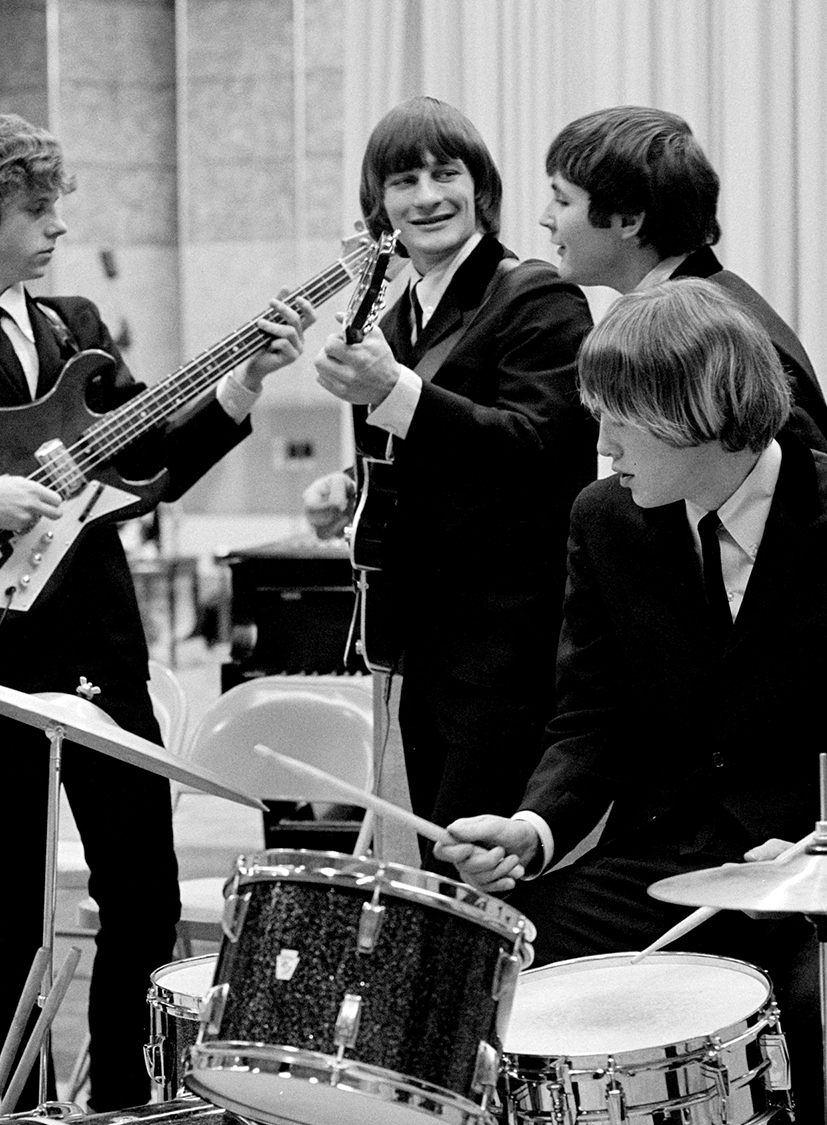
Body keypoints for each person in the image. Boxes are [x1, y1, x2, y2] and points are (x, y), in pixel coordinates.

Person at [437, 278, 827, 1124]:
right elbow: (590, 721)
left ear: (701, 411)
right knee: (492, 977)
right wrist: (533, 828)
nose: (602, 444)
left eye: (619, 418)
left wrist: (819, 850)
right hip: (669, 852)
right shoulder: (605, 519)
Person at [0, 112, 313, 1111]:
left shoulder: (72, 327)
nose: (56, 227)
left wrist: (243, 384)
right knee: (9, 899)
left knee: (144, 888)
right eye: (36, 209)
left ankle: (125, 1096)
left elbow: (148, 467)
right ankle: (25, 1104)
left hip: (101, 645)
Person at [304, 96, 595, 864]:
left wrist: (395, 392)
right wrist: (351, 487)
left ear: (481, 187)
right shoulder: (395, 318)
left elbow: (544, 450)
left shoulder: (537, 297)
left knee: (481, 871)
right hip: (424, 646)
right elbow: (427, 453)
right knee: (445, 865)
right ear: (380, 203)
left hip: (509, 650)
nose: (427, 196)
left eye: (445, 174)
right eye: (404, 181)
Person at [541, 105, 827, 459]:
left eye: (562, 200)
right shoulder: (706, 306)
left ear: (628, 220)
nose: (546, 218)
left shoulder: (708, 329)